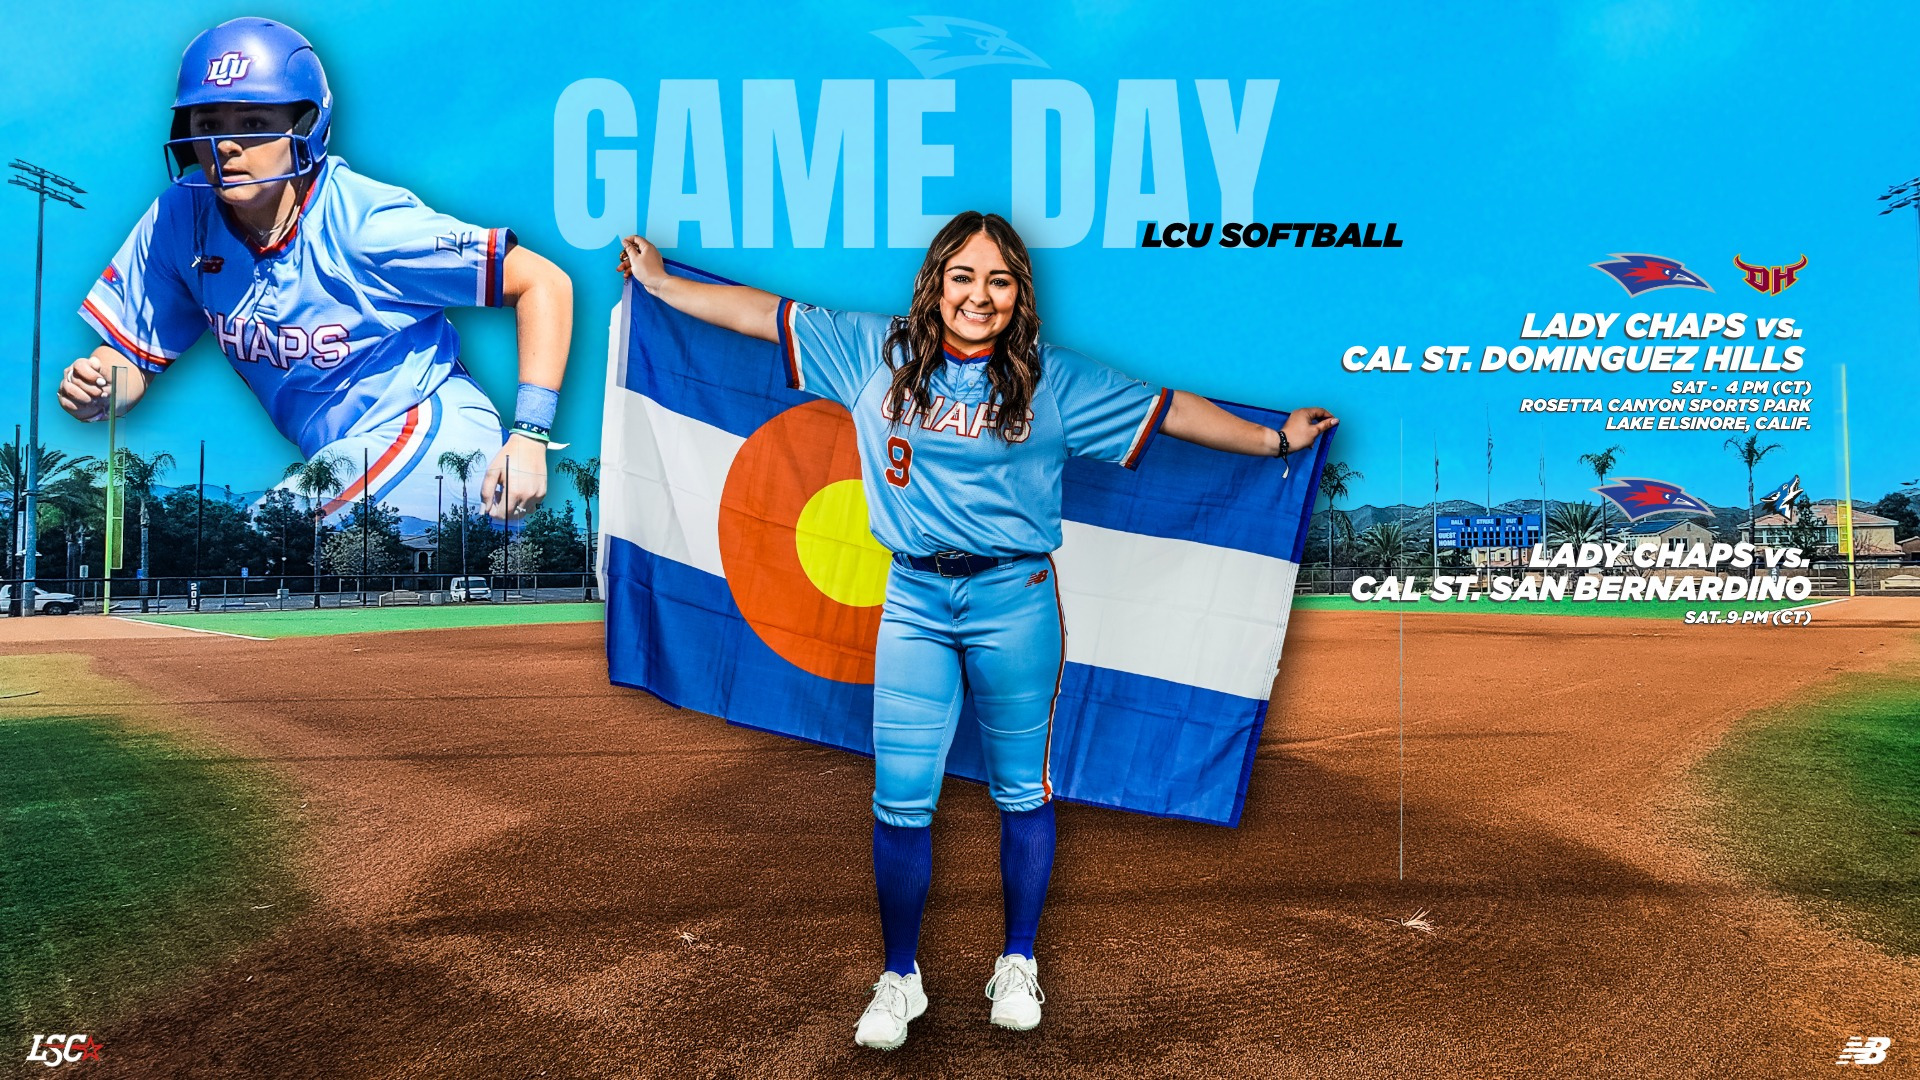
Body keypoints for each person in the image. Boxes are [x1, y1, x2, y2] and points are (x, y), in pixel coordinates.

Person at [618, 212, 1335, 1049]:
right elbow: (761, 313)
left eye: (998, 280)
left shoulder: (1052, 381)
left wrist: (1270, 438)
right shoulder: (871, 354)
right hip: (915, 604)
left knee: (1020, 790)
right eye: (963, 275)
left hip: (1015, 601)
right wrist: (664, 285)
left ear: (1017, 295)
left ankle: (1018, 961)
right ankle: (900, 977)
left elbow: (1168, 409)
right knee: (900, 800)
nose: (979, 295)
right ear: (936, 282)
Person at [59, 17, 571, 523]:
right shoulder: (181, 218)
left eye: (254, 123)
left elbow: (543, 282)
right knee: (262, 556)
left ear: (306, 127)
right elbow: (131, 359)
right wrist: (101, 386)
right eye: (208, 123)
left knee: (266, 539)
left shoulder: (364, 222)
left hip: (431, 435)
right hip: (340, 461)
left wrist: (530, 435)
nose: (227, 145)